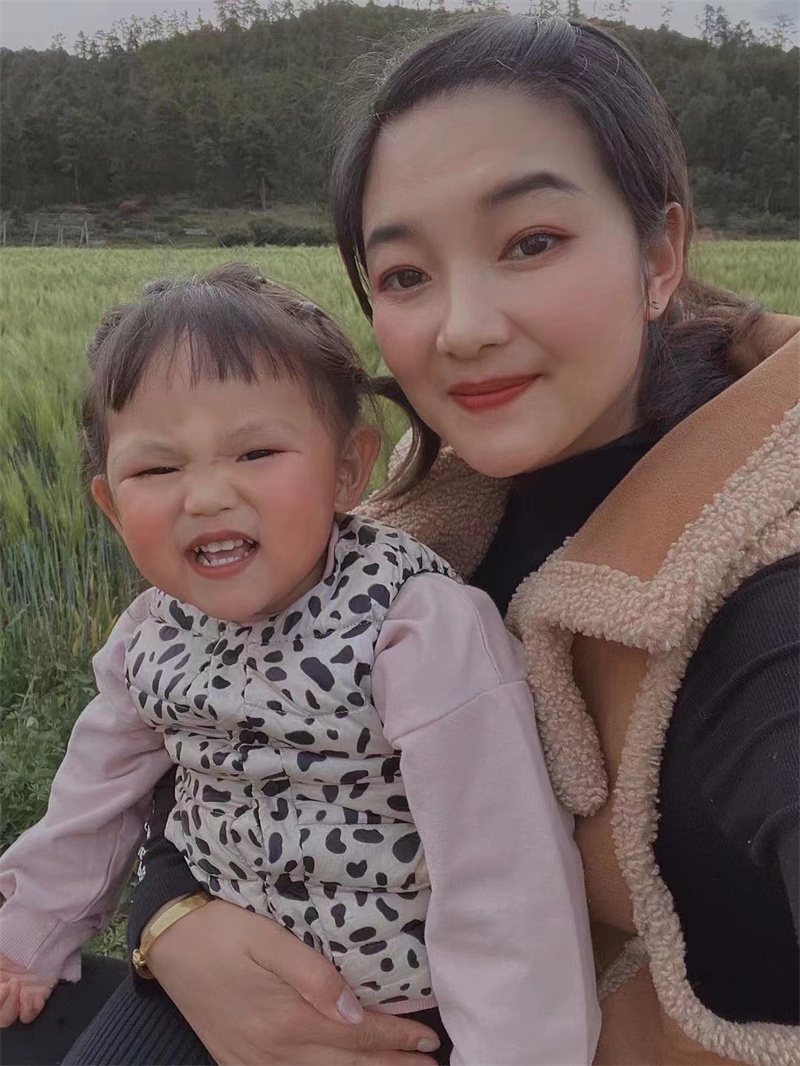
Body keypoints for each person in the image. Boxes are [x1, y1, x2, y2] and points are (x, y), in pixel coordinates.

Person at [4, 13, 798, 1066]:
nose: (463, 327)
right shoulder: (397, 515)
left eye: (531, 242)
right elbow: (172, 763)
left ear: (659, 257)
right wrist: (171, 922)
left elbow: (506, 884)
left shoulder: (758, 589)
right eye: (405, 275)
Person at [0, 264, 599, 1066]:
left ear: (347, 469)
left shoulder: (414, 628)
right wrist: (26, 939)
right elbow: (90, 804)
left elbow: (507, 879)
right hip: (207, 984)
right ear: (110, 504)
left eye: (255, 452)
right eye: (157, 469)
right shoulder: (147, 635)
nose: (206, 496)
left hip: (399, 1009)